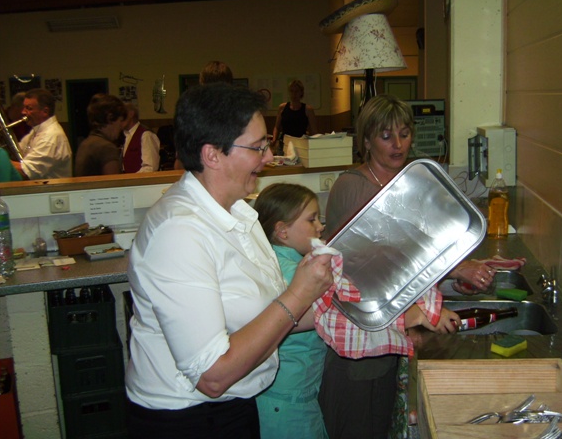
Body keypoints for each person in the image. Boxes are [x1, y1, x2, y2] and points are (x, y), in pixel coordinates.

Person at [124, 82, 334, 439]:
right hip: (188, 418)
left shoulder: (238, 212)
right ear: (212, 155)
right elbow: (213, 376)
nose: (268, 157)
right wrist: (299, 294)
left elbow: (264, 314)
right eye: (258, 147)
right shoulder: (180, 233)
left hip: (235, 404)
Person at [318, 94, 496, 439]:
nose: (398, 144)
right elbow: (374, 266)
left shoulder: (408, 183)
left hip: (389, 333)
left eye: (404, 133)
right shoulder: (353, 187)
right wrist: (454, 272)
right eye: (386, 136)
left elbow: (409, 260)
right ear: (366, 140)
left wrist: (444, 282)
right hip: (359, 340)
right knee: (359, 426)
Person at [253, 183, 329, 439]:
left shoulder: (284, 261)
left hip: (289, 395)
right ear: (282, 231)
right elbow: (331, 314)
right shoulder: (290, 273)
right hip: (287, 399)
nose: (320, 226)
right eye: (312, 220)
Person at [10, 88, 72, 179]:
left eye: (29, 108)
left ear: (45, 112)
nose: (23, 112)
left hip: (50, 192)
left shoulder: (50, 136)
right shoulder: (36, 131)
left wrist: (2, 160)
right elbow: (18, 149)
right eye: (24, 107)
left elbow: (27, 171)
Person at [74, 93, 126, 176]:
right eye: (120, 120)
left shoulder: (85, 144)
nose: (122, 126)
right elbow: (114, 185)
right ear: (110, 118)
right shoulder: (107, 148)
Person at [272, 79, 318, 154]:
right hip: (284, 144)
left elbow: (314, 131)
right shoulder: (282, 108)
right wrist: (274, 139)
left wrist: (315, 145)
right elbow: (277, 127)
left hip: (301, 144)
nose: (294, 94)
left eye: (296, 91)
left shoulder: (308, 109)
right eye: (291, 91)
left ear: (301, 93)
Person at [121, 102, 160, 173]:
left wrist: (131, 179)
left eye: (121, 115)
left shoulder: (146, 135)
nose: (119, 119)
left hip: (140, 182)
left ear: (131, 114)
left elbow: (150, 168)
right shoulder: (121, 136)